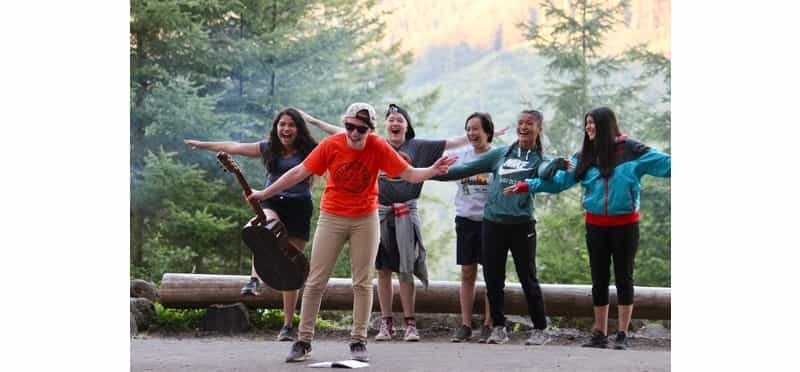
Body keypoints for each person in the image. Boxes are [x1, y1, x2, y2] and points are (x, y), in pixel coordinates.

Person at [247, 102, 457, 363]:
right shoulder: (332, 144)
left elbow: (409, 174)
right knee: (315, 280)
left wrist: (432, 171)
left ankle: (358, 339)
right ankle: (303, 340)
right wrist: (264, 194)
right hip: (332, 215)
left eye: (360, 129)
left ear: (370, 129)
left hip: (365, 218)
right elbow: (299, 172)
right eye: (349, 127)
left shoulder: (378, 146)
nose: (354, 133)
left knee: (362, 281)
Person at [301, 104, 506, 342]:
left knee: (406, 268)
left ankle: (410, 323)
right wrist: (315, 122)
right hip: (378, 212)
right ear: (384, 125)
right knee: (382, 269)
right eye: (391, 120)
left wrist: (484, 137)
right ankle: (386, 322)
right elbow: (343, 130)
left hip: (406, 211)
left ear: (407, 126)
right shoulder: (374, 142)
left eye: (400, 120)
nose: (395, 123)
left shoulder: (418, 146)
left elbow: (450, 143)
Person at [503, 106, 670, 350]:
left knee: (624, 278)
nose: (589, 127)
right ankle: (599, 334)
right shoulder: (583, 155)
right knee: (599, 279)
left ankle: (622, 335)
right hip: (595, 226)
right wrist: (528, 185)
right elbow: (560, 182)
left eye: (593, 123)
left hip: (625, 226)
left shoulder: (632, 150)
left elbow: (666, 165)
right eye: (587, 123)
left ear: (607, 124)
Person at [433, 110, 568, 346]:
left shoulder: (537, 159)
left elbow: (546, 172)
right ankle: (498, 327)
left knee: (528, 277)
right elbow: (465, 170)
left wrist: (556, 163)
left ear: (539, 129)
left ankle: (540, 328)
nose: (524, 127)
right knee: (494, 278)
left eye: (530, 124)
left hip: (521, 224)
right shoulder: (501, 154)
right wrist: (430, 173)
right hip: (493, 223)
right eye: (521, 123)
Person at [184, 107, 317, 342]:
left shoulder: (311, 150)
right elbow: (234, 147)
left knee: (290, 268)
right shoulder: (268, 148)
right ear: (276, 128)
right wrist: (204, 145)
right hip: (271, 201)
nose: (286, 129)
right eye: (282, 124)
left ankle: (287, 325)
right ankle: (254, 279)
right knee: (264, 231)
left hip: (299, 209)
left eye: (291, 125)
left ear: (299, 129)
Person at [446, 112, 496, 343]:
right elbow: (435, 163)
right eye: (468, 129)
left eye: (476, 129)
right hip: (465, 220)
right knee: (467, 272)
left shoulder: (497, 156)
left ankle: (489, 323)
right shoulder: (459, 156)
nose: (472, 133)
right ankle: (465, 324)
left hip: (491, 221)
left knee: (491, 274)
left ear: (487, 131)